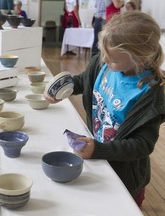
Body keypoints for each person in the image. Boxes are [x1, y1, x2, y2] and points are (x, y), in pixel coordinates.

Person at [46, 11, 165, 207]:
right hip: (99, 159)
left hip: (125, 176)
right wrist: (64, 89)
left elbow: (142, 145)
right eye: (103, 54)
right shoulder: (104, 63)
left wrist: (99, 148)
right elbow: (83, 81)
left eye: (114, 60)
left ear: (140, 59)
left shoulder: (150, 95)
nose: (105, 61)